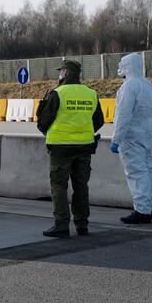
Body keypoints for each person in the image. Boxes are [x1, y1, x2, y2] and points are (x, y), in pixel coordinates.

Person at [36, 60, 103, 238]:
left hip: (60, 148)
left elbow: (43, 122)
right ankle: (82, 225)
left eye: (61, 71)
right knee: (81, 186)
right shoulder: (91, 93)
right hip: (85, 147)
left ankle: (61, 225)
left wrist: (52, 132)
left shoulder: (58, 93)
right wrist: (81, 132)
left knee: (59, 187)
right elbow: (99, 121)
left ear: (65, 73)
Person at [111, 52, 152, 224]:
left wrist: (116, 139)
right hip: (148, 136)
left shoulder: (128, 86)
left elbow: (123, 115)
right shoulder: (149, 85)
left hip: (131, 138)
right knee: (147, 170)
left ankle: (142, 210)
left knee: (136, 173)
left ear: (126, 66)